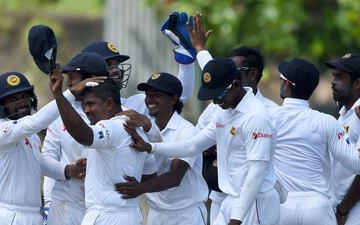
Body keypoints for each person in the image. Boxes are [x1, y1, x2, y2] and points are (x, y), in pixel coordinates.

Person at [125, 57, 280, 225]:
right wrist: (151, 147)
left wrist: (236, 219)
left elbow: (256, 173)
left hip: (255, 201)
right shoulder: (223, 111)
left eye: (219, 95)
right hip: (231, 199)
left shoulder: (257, 117)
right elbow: (194, 145)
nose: (215, 102)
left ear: (236, 85)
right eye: (212, 97)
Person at [189, 12, 280, 224]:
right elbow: (215, 74)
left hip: (252, 200)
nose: (229, 74)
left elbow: (262, 168)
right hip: (221, 196)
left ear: (253, 74)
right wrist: (200, 50)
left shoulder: (267, 112)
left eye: (235, 70)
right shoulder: (221, 101)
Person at [50, 73, 159, 225]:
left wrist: (58, 96)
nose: (86, 110)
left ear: (108, 103)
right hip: (129, 215)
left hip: (108, 217)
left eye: (90, 104)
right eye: (84, 105)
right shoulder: (139, 131)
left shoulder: (112, 126)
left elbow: (83, 136)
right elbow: (150, 175)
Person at [273, 58, 360, 225]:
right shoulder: (328, 121)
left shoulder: (268, 118)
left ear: (287, 85)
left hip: (283, 206)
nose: (334, 82)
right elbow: (357, 165)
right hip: (318, 207)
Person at [114, 73, 208, 225]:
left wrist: (139, 188)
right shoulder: (144, 128)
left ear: (173, 99)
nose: (149, 100)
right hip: (156, 213)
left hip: (186, 215)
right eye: (147, 94)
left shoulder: (187, 131)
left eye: (156, 95)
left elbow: (174, 177)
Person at [0, 69, 78, 225]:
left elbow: (38, 162)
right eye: (13, 99)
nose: (22, 103)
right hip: (10, 215)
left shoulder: (30, 135)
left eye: (24, 97)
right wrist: (68, 94)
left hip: (34, 214)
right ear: (1, 105)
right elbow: (37, 122)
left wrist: (68, 170)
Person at [41, 52, 108, 225]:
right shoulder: (60, 112)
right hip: (65, 206)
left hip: (103, 207)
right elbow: (45, 160)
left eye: (73, 77)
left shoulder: (114, 109)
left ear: (93, 79)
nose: (69, 84)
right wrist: (70, 171)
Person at [326, 54, 360, 225]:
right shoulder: (344, 114)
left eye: (340, 77)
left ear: (358, 83)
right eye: (333, 76)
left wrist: (343, 209)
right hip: (339, 207)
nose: (333, 81)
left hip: (353, 210)